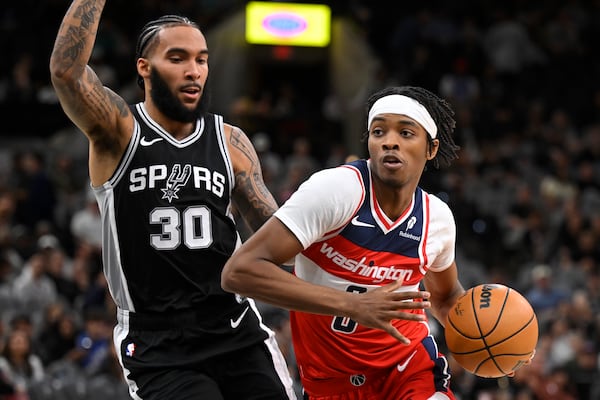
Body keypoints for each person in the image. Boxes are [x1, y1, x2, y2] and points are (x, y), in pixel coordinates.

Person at [50, 2, 296, 399]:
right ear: (144, 67)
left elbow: (279, 235)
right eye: (177, 58)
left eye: (201, 59)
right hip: (157, 341)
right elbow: (66, 72)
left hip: (233, 325)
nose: (193, 70)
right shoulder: (119, 131)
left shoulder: (229, 141)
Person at [223, 86, 467, 399]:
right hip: (330, 380)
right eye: (379, 131)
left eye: (406, 133)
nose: (390, 141)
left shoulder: (438, 219)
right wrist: (353, 306)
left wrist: (489, 341)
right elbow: (239, 272)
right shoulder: (336, 190)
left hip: (406, 367)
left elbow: (445, 298)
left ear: (431, 148)